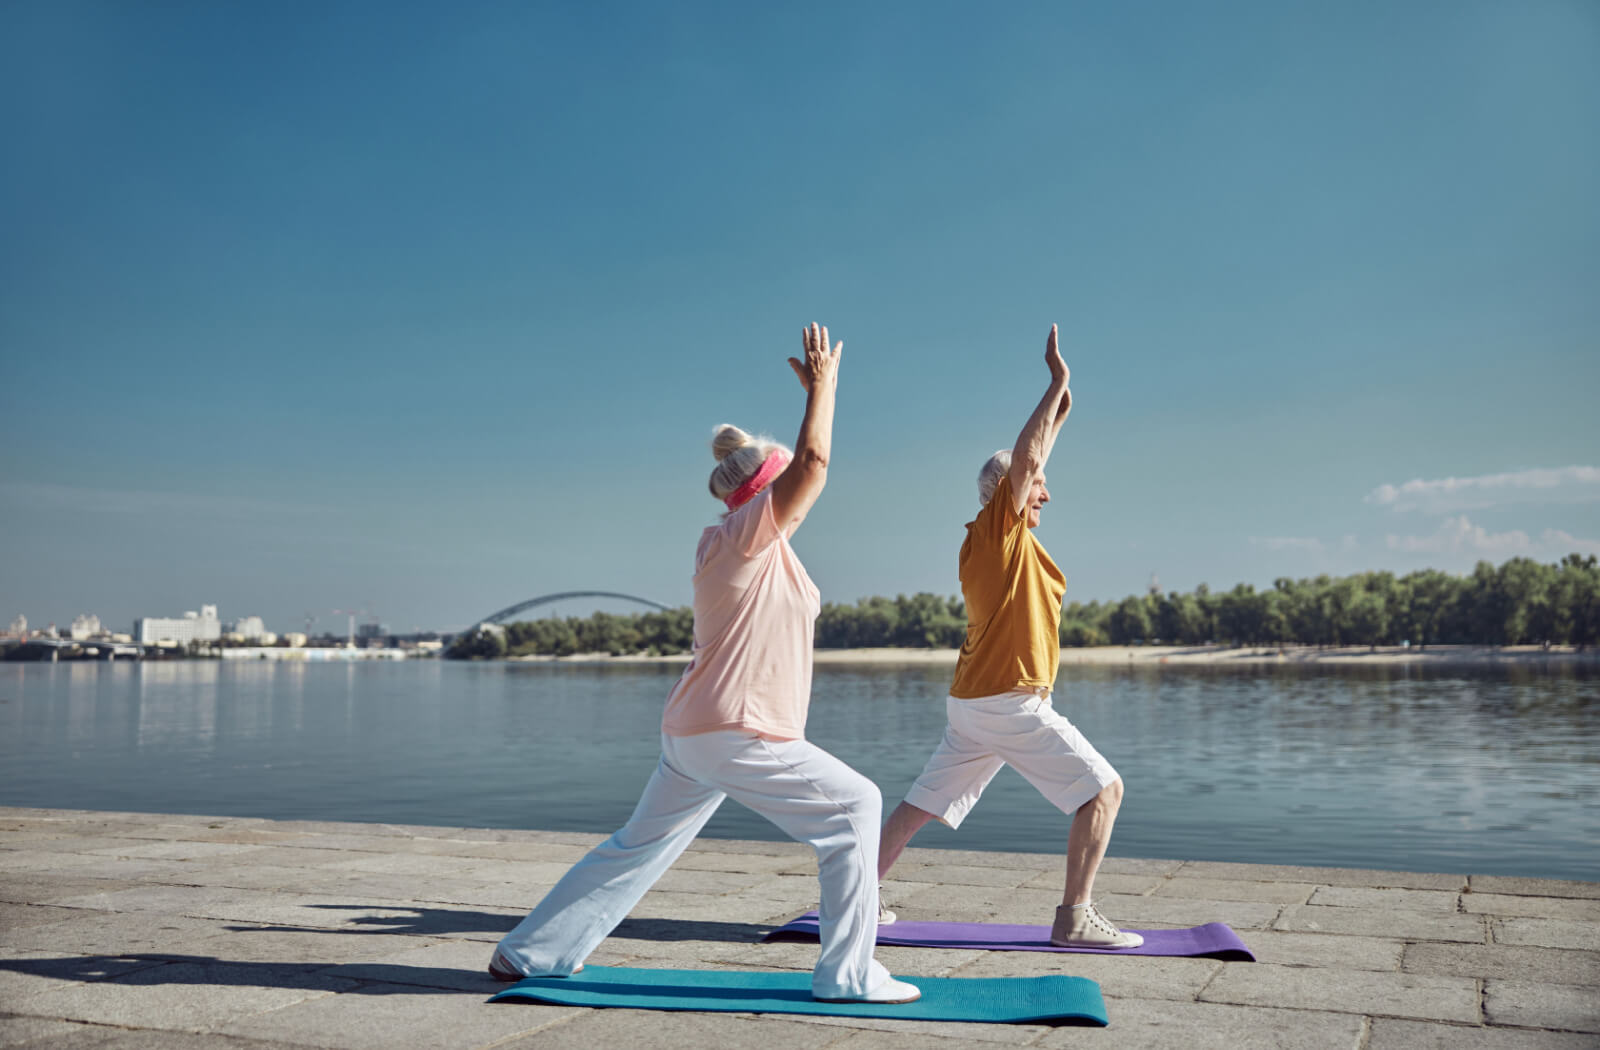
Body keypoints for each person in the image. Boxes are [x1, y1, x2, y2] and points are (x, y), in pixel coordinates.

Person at [489, 324, 920, 1003]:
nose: (801, 505)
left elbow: (798, 478)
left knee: (638, 845)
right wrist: (826, 390)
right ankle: (847, 974)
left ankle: (531, 952)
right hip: (735, 729)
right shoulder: (742, 538)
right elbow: (813, 463)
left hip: (696, 733)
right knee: (856, 807)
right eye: (785, 494)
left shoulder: (751, 547)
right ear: (762, 496)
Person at [874, 324, 1142, 949]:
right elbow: (1024, 464)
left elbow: (1033, 458)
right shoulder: (998, 532)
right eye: (1038, 484)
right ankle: (1075, 918)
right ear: (1008, 494)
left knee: (922, 803)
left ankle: (858, 893)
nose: (1048, 489)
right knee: (1103, 791)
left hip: (976, 702)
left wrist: (1060, 411)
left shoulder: (1002, 541)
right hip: (1006, 700)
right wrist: (1056, 382)